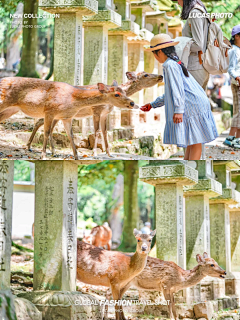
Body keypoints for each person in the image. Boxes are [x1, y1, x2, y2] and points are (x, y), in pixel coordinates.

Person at [141, 34, 218, 160]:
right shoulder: (174, 62)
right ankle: (188, 166)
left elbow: (177, 90)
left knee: (195, 141)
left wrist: (178, 111)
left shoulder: (170, 65)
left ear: (159, 52)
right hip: (195, 102)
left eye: (154, 53)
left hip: (192, 104)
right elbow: (171, 92)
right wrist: (153, 104)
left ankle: (193, 169)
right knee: (191, 141)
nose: (154, 57)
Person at [179, 0, 210, 90]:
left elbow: (198, 44)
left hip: (195, 67)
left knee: (191, 102)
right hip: (201, 66)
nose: (177, 2)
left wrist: (179, 46)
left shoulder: (194, 12)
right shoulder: (200, 11)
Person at [223, 25, 240, 148]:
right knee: (238, 112)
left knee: (238, 112)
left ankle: (234, 138)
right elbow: (231, 69)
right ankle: (233, 138)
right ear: (237, 36)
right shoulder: (234, 50)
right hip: (238, 84)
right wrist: (238, 78)